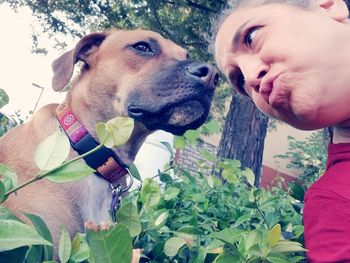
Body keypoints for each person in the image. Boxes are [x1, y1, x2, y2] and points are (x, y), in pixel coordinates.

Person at [213, 0, 350, 262]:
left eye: (251, 36)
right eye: (240, 81)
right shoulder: (335, 204)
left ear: (328, 5)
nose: (252, 76)